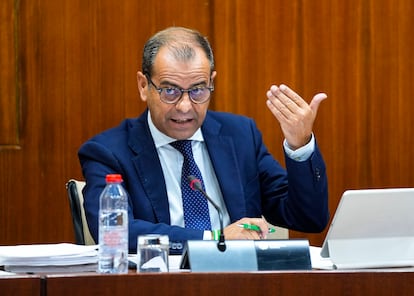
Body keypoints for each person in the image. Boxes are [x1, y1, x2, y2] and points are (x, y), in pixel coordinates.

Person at [78, 26, 329, 254]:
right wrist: (214, 239)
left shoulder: (240, 136)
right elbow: (115, 233)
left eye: (198, 89)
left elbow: (307, 218)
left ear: (211, 83)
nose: (185, 106)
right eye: (170, 91)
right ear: (144, 86)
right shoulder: (108, 152)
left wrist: (300, 146)